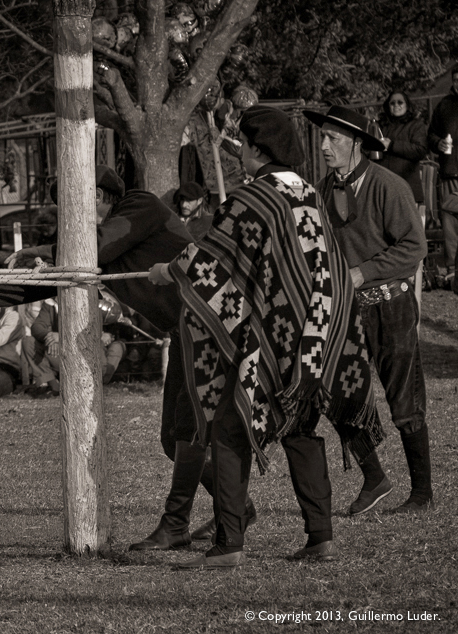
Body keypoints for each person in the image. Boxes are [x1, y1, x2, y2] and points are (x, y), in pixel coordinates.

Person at [0, 165, 233, 551]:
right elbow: (62, 273)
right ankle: (235, 508)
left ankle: (181, 522)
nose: (67, 218)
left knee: (188, 429)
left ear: (98, 197)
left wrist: (41, 252)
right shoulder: (104, 242)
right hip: (186, 331)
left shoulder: (139, 207)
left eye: (71, 204)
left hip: (212, 323)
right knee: (173, 437)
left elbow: (87, 249)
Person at [148, 105, 383, 568]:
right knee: (301, 428)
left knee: (230, 429)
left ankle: (228, 544)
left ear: (257, 149)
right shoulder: (309, 195)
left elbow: (211, 263)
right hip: (315, 338)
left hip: (272, 339)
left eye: (244, 144)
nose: (239, 153)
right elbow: (323, 265)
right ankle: (321, 537)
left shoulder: (252, 200)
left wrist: (166, 270)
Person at [304, 105, 432, 515]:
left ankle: (422, 494)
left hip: (390, 308)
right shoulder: (321, 192)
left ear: (357, 144)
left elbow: (415, 247)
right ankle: (374, 477)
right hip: (345, 312)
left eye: (333, 140)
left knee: (404, 402)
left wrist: (364, 272)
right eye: (322, 138)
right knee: (338, 396)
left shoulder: (388, 186)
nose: (324, 146)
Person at [181, 77, 247, 207]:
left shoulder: (233, 118)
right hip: (214, 187)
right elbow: (182, 140)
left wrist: (223, 134)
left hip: (239, 184)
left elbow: (240, 148)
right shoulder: (194, 121)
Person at [428, 66, 458, 287]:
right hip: (450, 173)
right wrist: (437, 143)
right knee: (450, 227)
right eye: (456, 80)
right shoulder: (444, 106)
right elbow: (430, 135)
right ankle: (452, 272)